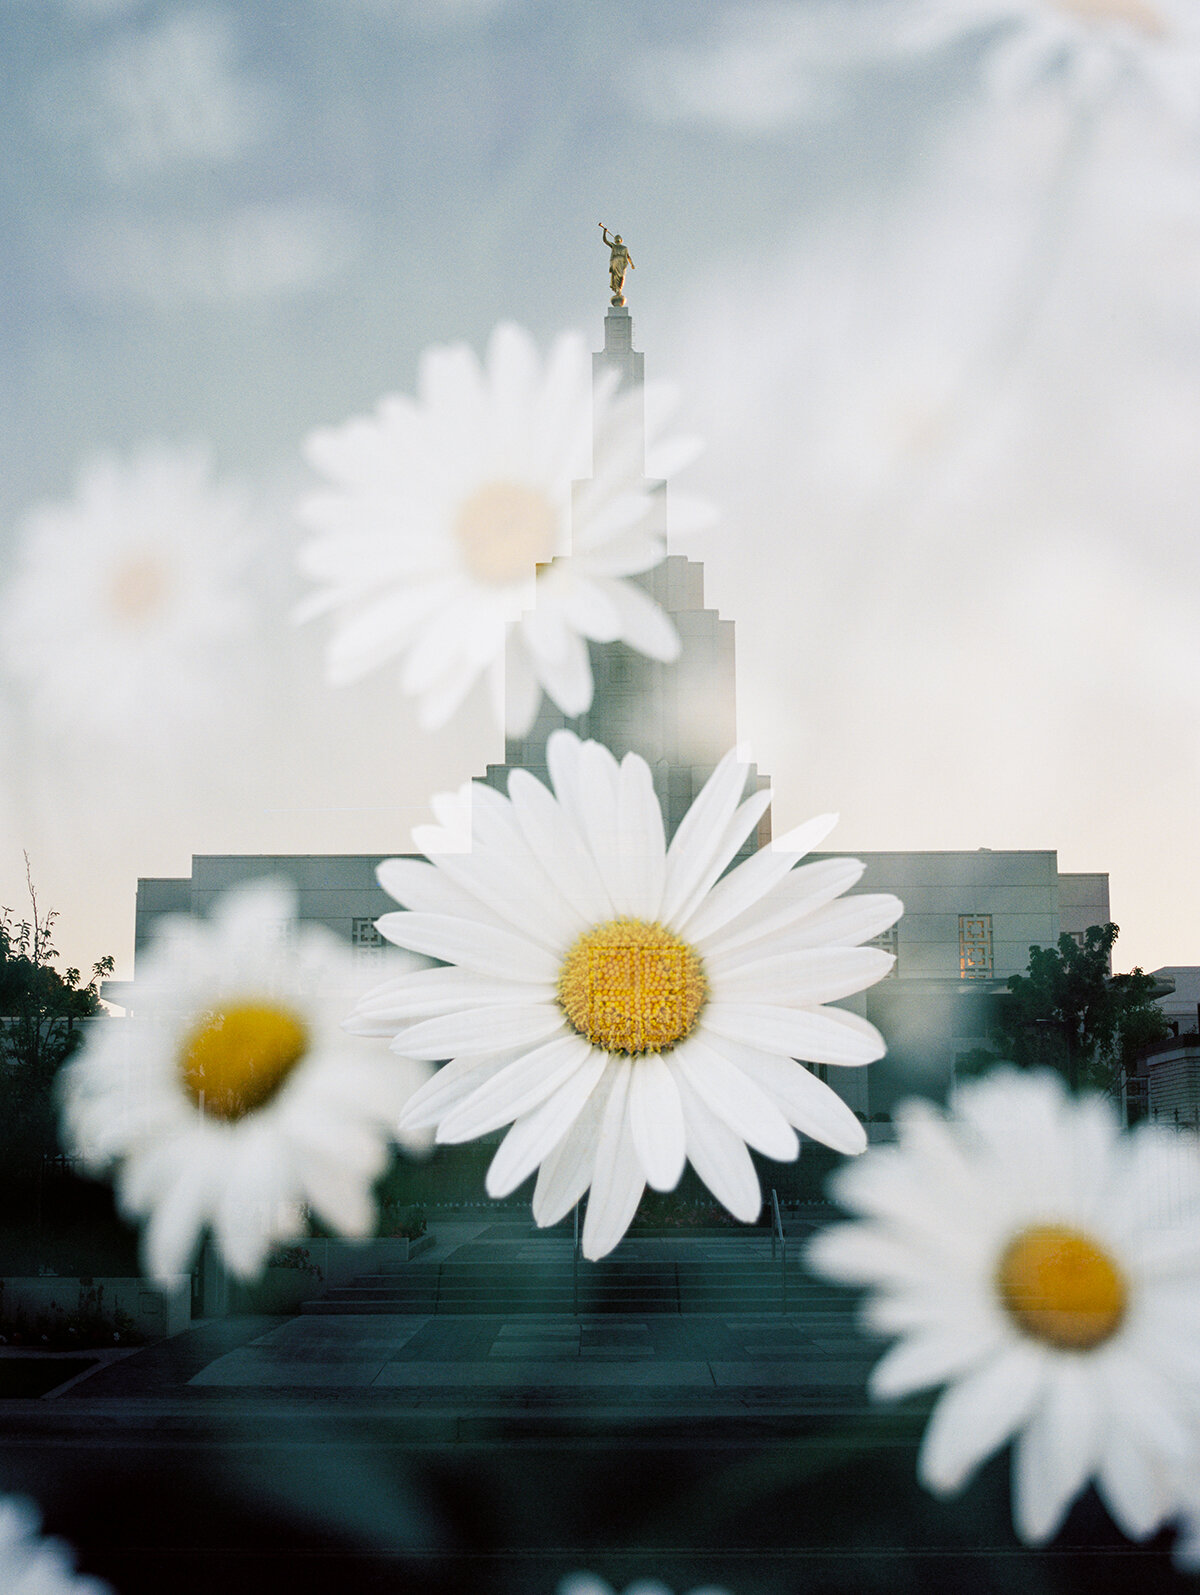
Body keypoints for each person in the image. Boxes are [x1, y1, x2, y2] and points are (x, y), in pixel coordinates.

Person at [599, 225, 634, 303]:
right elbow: (605, 241)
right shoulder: (614, 246)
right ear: (614, 240)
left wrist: (632, 264)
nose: (617, 239)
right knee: (615, 276)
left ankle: (620, 289)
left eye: (619, 238)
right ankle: (617, 289)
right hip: (615, 261)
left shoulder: (624, 248)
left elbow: (628, 256)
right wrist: (604, 232)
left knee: (622, 276)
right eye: (616, 238)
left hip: (622, 263)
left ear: (621, 240)